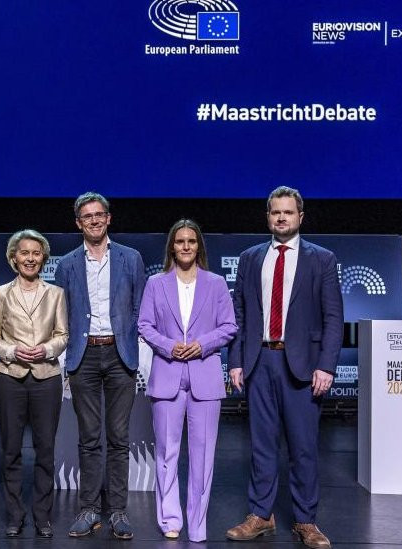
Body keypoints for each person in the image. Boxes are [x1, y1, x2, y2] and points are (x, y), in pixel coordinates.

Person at [226, 186, 343, 549]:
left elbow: (334, 317)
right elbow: (240, 314)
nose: (281, 218)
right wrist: (235, 361)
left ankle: (306, 521)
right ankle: (261, 515)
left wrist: (326, 365)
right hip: (259, 361)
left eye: (288, 212)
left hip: (304, 367)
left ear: (300, 217)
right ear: (268, 217)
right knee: (261, 445)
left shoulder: (321, 259)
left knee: (304, 447)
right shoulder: (249, 258)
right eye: (275, 212)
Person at [54, 191, 147, 540]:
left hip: (120, 354)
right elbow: (61, 315)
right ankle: (89, 509)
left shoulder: (131, 258)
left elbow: (140, 308)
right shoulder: (66, 265)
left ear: (108, 218)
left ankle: (118, 511)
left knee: (119, 437)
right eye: (86, 216)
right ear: (78, 223)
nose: (93, 220)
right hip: (84, 356)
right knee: (89, 438)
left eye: (99, 215)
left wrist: (132, 343)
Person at [137, 219, 237, 542]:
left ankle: (197, 523)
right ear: (172, 246)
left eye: (191, 241)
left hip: (205, 377)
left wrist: (203, 344)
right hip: (167, 375)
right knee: (167, 453)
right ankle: (170, 519)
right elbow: (145, 325)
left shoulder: (217, 283)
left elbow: (228, 326)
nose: (185, 247)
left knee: (203, 455)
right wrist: (168, 346)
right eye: (179, 241)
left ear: (199, 246)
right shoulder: (156, 284)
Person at [0, 230, 69, 539]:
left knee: (45, 450)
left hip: (46, 378)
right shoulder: (0, 293)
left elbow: (63, 335)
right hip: (10, 377)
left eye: (36, 253)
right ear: (13, 258)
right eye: (24, 253)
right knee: (11, 450)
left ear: (43, 258)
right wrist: (11, 350)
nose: (30, 258)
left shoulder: (56, 293)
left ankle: (42, 516)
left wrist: (46, 350)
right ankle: (15, 514)